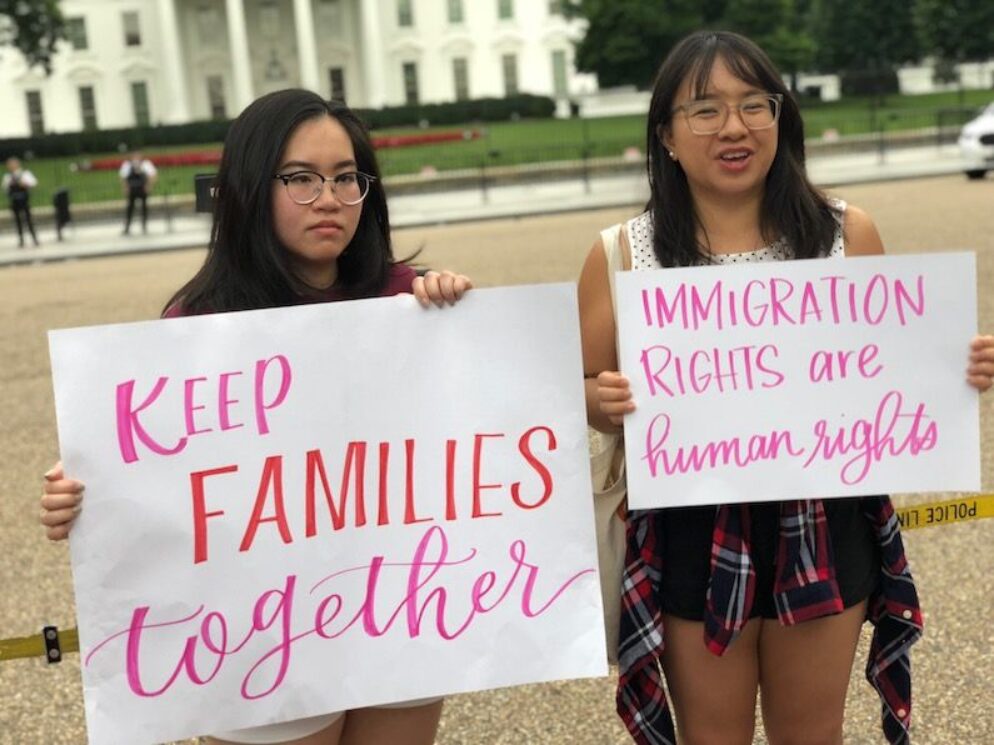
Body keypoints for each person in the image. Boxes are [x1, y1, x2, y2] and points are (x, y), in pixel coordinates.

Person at [577, 31, 994, 745]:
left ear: (781, 118)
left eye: (754, 104)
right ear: (667, 137)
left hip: (821, 522)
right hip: (691, 529)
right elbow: (579, 387)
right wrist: (600, 400)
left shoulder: (844, 234)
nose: (734, 127)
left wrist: (954, 373)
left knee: (812, 734)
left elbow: (889, 370)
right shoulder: (621, 253)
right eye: (704, 109)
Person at [40, 88, 471, 745]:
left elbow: (478, 430)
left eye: (347, 177)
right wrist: (84, 493)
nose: (328, 196)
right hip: (262, 635)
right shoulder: (197, 327)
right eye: (299, 178)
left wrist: (462, 318)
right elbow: (153, 473)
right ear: (248, 187)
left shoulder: (407, 299)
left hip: (395, 610)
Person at [3, 156, 40, 248]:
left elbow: (34, 183)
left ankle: (34, 238)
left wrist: (24, 183)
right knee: (17, 221)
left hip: (24, 200)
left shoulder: (25, 174)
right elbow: (5, 188)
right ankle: (21, 240)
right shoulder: (7, 177)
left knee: (28, 220)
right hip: (14, 201)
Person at [118, 150, 157, 235]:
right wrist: (125, 188)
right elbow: (123, 177)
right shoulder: (127, 164)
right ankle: (127, 227)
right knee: (130, 209)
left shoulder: (146, 164)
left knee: (144, 208)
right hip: (132, 189)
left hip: (142, 188)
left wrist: (149, 186)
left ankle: (144, 226)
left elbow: (152, 175)